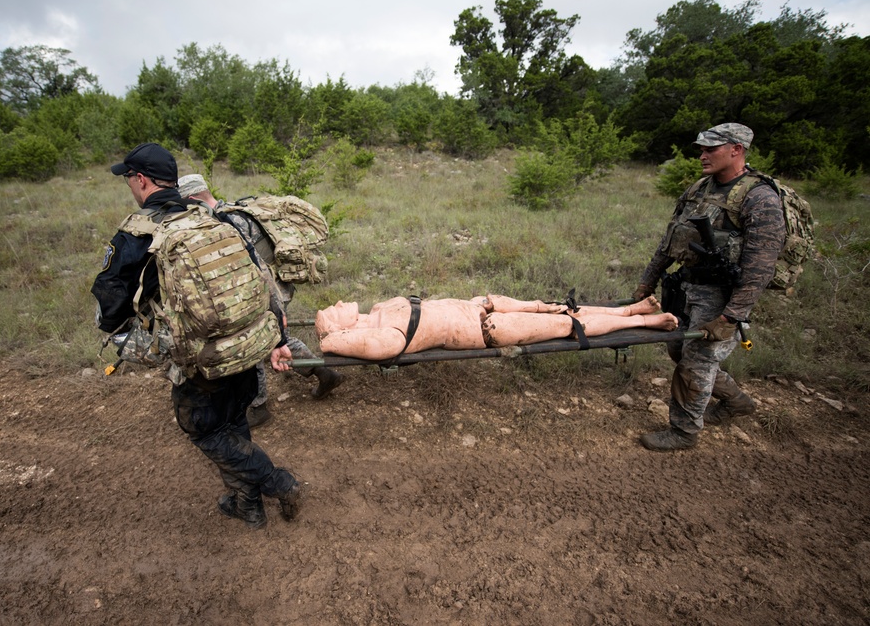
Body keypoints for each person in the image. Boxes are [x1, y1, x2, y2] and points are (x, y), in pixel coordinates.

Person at [91, 144, 303, 529]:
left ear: (140, 181)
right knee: (233, 422)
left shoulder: (139, 234)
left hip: (202, 362)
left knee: (204, 429)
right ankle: (247, 504)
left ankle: (278, 482)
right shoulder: (215, 220)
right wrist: (278, 339)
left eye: (129, 178)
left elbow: (110, 302)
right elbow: (262, 281)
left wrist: (130, 335)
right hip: (245, 348)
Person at [633, 123, 786, 451]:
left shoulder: (759, 198)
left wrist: (730, 317)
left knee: (697, 361)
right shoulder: (698, 189)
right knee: (678, 350)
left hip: (722, 297)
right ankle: (736, 401)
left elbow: (760, 268)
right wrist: (647, 281)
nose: (702, 155)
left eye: (710, 149)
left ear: (736, 149)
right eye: (700, 149)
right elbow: (669, 240)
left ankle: (684, 431)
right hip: (686, 287)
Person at [178, 174, 344, 428]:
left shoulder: (223, 223)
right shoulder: (237, 210)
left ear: (191, 200)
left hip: (265, 292)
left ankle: (258, 406)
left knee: (253, 345)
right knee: (279, 337)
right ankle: (323, 373)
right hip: (275, 287)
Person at [315, 294, 679, 360]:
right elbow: (333, 345)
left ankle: (630, 309)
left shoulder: (377, 310)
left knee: (556, 308)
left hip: (476, 307)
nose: (339, 303)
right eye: (334, 310)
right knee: (569, 325)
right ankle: (646, 320)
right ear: (342, 328)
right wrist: (331, 338)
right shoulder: (383, 338)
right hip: (491, 329)